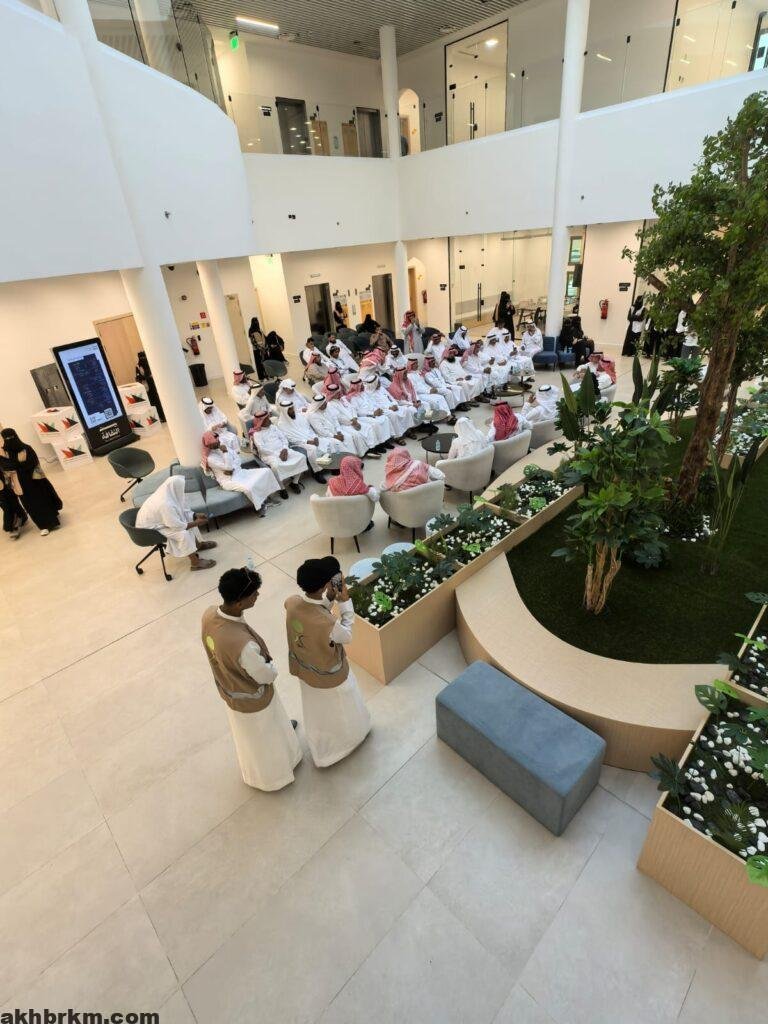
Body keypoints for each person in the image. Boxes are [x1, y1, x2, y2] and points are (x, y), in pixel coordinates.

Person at [203, 567, 301, 791]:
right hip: (253, 699)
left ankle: (283, 736)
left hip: (229, 688)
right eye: (253, 593)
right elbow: (265, 675)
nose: (257, 595)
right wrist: (272, 666)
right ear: (239, 603)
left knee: (250, 736)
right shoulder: (243, 646)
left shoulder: (209, 615)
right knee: (264, 735)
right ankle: (274, 778)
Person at [285, 557, 371, 767]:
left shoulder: (292, 603)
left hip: (306, 672)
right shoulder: (327, 623)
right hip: (329, 676)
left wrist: (329, 598)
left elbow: (313, 611)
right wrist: (344, 602)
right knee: (341, 708)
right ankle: (347, 744)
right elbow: (346, 635)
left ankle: (322, 750)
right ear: (325, 585)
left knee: (319, 712)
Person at [136, 476, 216, 569]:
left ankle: (198, 545)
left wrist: (195, 515)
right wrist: (197, 522)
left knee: (188, 520)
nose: (183, 490)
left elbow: (182, 510)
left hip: (157, 521)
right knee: (183, 533)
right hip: (147, 530)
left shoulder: (168, 493)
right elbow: (177, 527)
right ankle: (195, 563)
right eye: (181, 487)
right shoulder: (165, 504)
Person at [0, 429, 62, 535]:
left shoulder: (26, 448)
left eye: (11, 437)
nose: (9, 440)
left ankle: (52, 521)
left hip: (33, 481)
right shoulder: (5, 453)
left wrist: (17, 467)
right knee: (30, 506)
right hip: (18, 484)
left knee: (41, 501)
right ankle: (43, 526)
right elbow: (5, 467)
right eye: (6, 438)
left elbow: (33, 463)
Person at [202, 431, 281, 514]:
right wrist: (225, 453)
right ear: (209, 445)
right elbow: (228, 467)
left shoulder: (224, 447)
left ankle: (267, 498)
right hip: (228, 480)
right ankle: (260, 506)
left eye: (217, 440)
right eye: (215, 443)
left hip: (239, 472)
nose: (218, 442)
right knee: (248, 487)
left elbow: (238, 459)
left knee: (266, 471)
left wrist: (233, 468)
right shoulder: (210, 458)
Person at [248, 411, 307, 496]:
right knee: (275, 467)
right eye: (267, 419)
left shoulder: (273, 427)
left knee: (301, 457)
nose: (269, 420)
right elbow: (262, 449)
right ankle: (282, 488)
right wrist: (278, 454)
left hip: (284, 450)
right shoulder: (257, 434)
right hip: (270, 455)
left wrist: (285, 449)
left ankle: (294, 482)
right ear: (261, 422)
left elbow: (283, 438)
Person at [276, 398, 331, 483]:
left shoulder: (300, 416)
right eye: (289, 409)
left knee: (326, 442)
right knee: (312, 449)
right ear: (284, 411)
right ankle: (317, 472)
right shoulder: (281, 424)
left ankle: (329, 466)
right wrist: (308, 441)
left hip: (310, 437)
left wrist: (314, 437)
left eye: (292, 408)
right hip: (299, 443)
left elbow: (308, 428)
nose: (292, 410)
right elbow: (291, 439)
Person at [406, 356, 453, 425]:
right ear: (411, 365)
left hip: (426, 391)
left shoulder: (418, 373)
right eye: (415, 364)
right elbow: (415, 389)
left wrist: (430, 388)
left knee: (440, 397)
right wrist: (428, 391)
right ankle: (442, 417)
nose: (417, 365)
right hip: (420, 394)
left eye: (417, 363)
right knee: (435, 400)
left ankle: (447, 415)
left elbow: (424, 384)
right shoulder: (409, 376)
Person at [135, 351, 165, 421]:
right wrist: (147, 377)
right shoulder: (138, 366)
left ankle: (162, 417)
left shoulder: (149, 363)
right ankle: (157, 417)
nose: (142, 359)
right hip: (147, 387)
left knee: (156, 401)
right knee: (152, 402)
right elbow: (138, 377)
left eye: (143, 357)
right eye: (141, 357)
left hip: (152, 386)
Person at [0, 473, 27, 540]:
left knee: (11, 499)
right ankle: (18, 518)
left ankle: (16, 521)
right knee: (5, 505)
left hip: (5, 476)